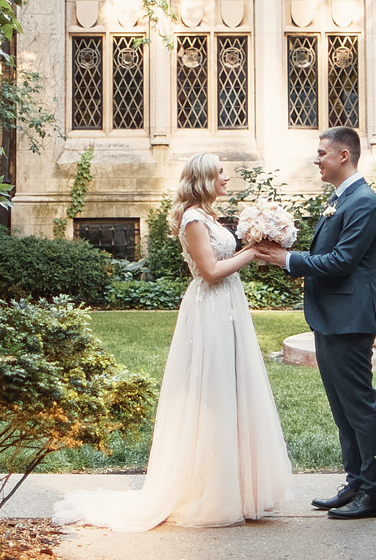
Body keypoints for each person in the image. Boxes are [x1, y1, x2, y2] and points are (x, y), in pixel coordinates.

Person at [54, 153, 295, 531]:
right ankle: (209, 492)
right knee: (212, 391)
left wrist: (259, 245)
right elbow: (211, 272)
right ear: (202, 179)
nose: (227, 178)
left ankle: (238, 488)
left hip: (230, 305)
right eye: (220, 173)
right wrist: (250, 253)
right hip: (212, 307)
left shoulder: (209, 215)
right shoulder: (193, 219)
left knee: (232, 390)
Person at [251, 126, 376, 519]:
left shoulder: (363, 202)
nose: (317, 160)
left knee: (359, 408)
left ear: (344, 156)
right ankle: (356, 482)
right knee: (343, 409)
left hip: (350, 319)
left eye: (322, 153)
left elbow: (342, 262)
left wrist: (288, 260)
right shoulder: (341, 199)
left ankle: (374, 494)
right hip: (331, 318)